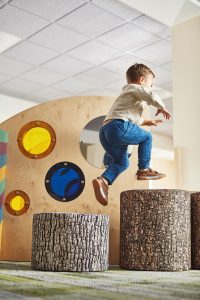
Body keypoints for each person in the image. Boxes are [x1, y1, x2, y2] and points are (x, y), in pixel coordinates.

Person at [92, 63, 171, 206]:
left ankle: (103, 180)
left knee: (122, 163)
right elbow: (150, 94)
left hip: (106, 131)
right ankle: (144, 170)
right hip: (118, 126)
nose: (150, 87)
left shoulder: (127, 95)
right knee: (147, 137)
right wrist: (162, 107)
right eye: (150, 84)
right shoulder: (136, 88)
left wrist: (148, 122)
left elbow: (131, 118)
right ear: (141, 80)